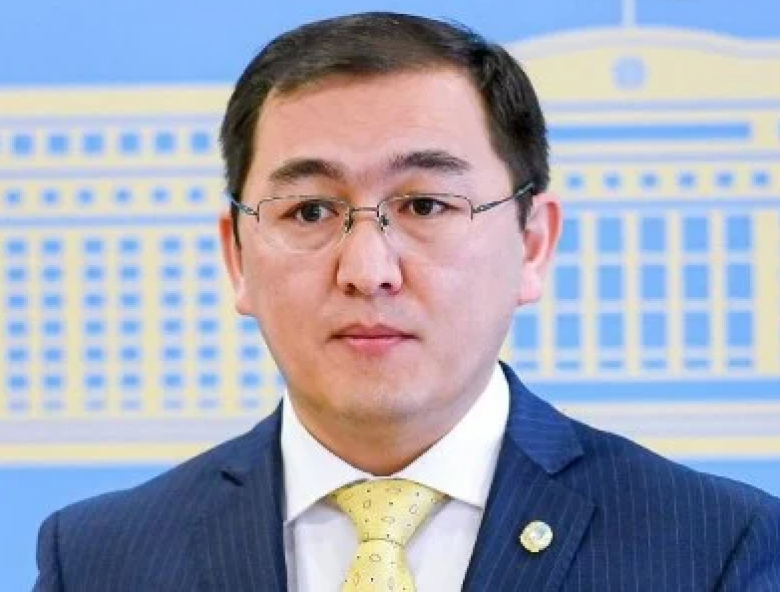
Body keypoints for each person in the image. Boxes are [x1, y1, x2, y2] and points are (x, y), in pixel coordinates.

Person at [34, 12, 780, 592]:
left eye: (425, 205)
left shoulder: (713, 546)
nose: (368, 270)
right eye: (310, 211)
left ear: (532, 245)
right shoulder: (100, 558)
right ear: (237, 256)